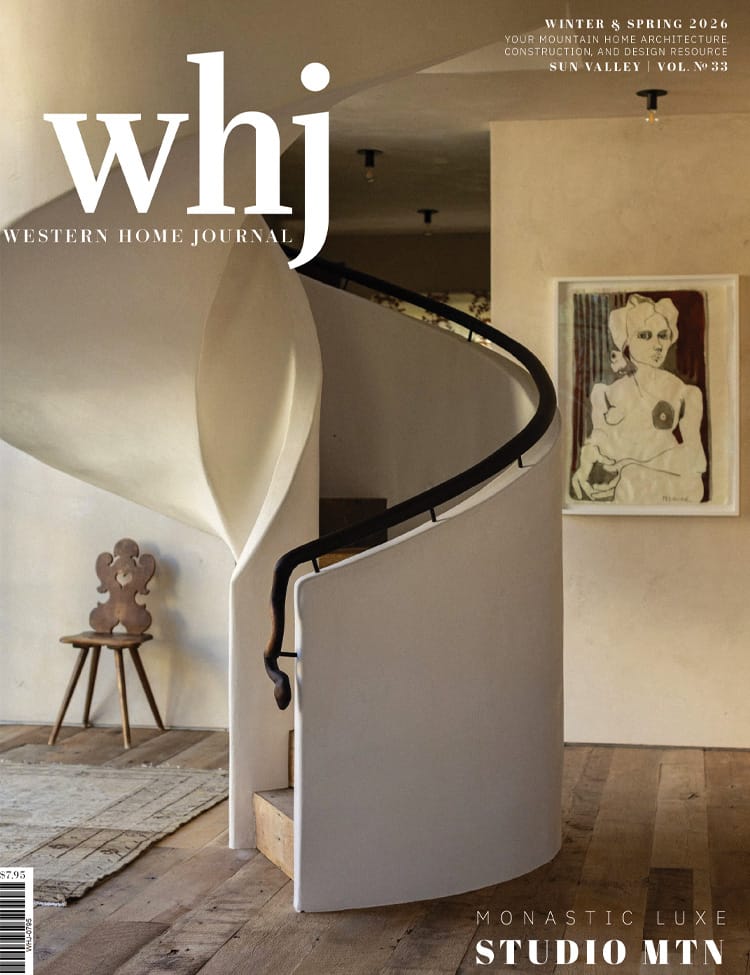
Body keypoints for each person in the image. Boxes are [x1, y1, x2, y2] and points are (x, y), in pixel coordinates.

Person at [571, 294, 706, 505]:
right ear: (627, 340)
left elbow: (696, 459)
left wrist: (630, 466)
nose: (657, 345)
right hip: (616, 491)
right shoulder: (604, 394)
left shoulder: (686, 394)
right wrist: (588, 458)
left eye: (663, 335)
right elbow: (598, 440)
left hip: (666, 484)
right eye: (645, 335)